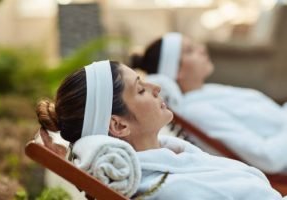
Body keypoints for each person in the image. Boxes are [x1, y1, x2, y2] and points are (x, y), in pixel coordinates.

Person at [36, 60, 285, 199]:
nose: (157, 87)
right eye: (141, 89)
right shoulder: (171, 190)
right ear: (118, 125)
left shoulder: (176, 159)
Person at [130, 32, 287, 173]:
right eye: (190, 51)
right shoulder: (197, 111)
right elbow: (268, 159)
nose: (202, 49)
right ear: (177, 71)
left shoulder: (207, 91)